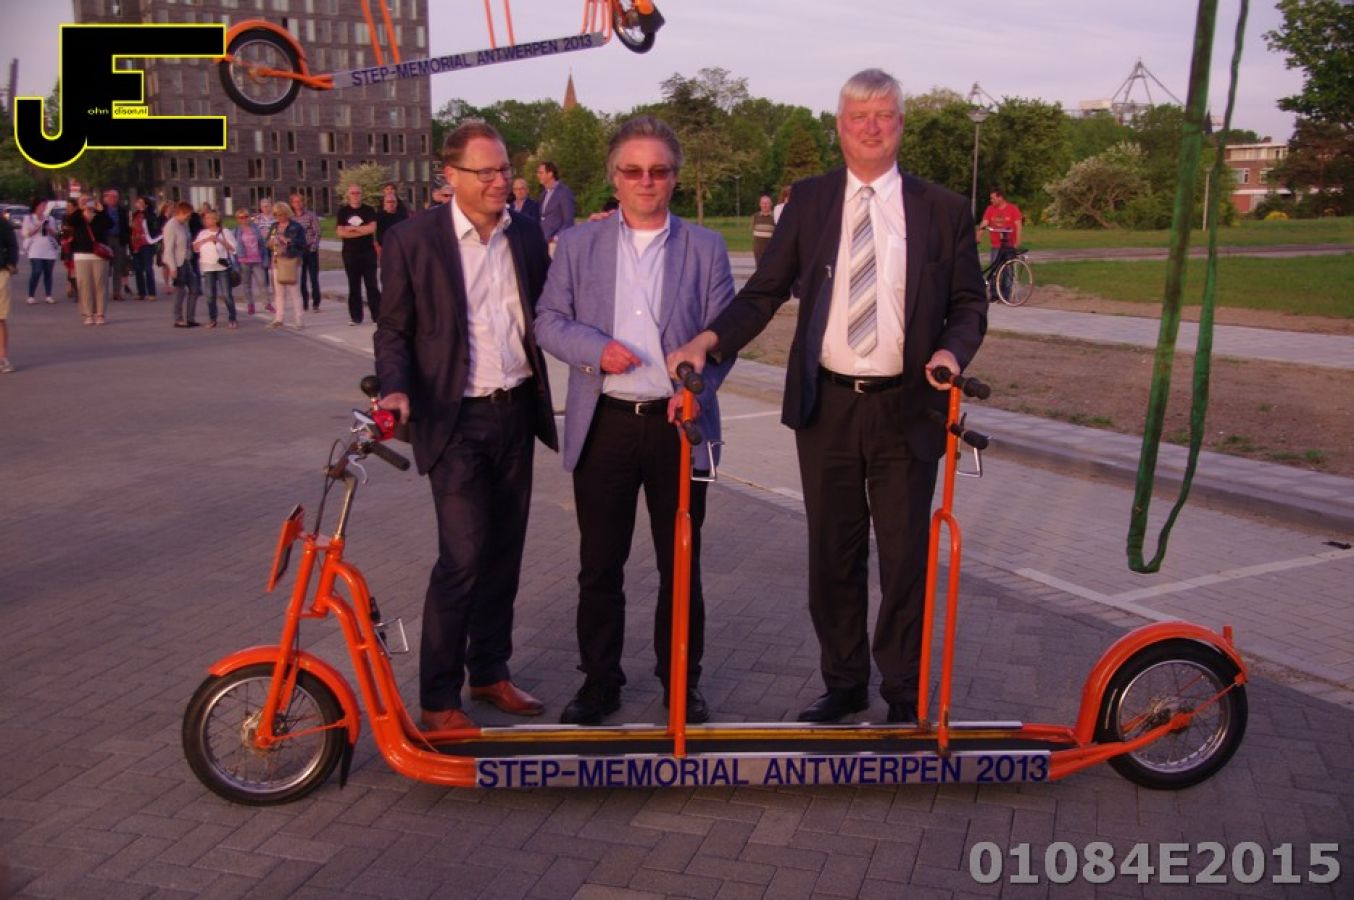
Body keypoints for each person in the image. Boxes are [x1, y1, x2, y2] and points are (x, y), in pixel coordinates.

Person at [666, 68, 987, 725]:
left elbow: (968, 303)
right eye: (858, 116)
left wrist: (952, 353)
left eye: (884, 115)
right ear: (840, 127)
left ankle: (903, 691)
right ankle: (844, 683)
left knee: (904, 558)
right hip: (828, 405)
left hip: (909, 405)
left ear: (900, 126)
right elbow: (764, 292)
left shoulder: (943, 209)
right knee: (833, 554)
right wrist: (707, 340)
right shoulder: (809, 202)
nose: (871, 127)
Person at [535, 115, 736, 727]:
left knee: (681, 563)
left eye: (658, 171)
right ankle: (600, 682)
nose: (646, 181)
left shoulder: (705, 247)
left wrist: (696, 391)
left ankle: (681, 682)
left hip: (679, 426)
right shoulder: (578, 244)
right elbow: (548, 320)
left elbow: (724, 335)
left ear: (674, 177)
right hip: (605, 423)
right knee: (600, 565)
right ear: (614, 178)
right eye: (633, 171)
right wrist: (595, 349)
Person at [374, 121, 558, 732]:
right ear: (450, 175)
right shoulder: (412, 240)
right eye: (487, 172)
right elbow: (393, 329)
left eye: (505, 168)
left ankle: (489, 672)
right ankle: (438, 701)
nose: (500, 181)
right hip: (454, 420)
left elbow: (546, 313)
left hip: (516, 411)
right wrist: (395, 386)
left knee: (504, 553)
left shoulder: (524, 233)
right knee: (462, 558)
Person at [336, 183, 379, 325]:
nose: (355, 195)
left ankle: (377, 316)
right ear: (348, 195)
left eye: (358, 193)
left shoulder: (369, 210)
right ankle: (356, 317)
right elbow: (340, 232)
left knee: (371, 285)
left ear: (362, 195)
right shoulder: (343, 212)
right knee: (354, 285)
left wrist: (351, 229)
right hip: (350, 254)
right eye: (353, 193)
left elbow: (371, 229)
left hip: (368, 253)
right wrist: (361, 230)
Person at [193, 210, 238, 329]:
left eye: (208, 218)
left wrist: (219, 240)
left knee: (226, 294)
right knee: (209, 295)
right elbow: (195, 247)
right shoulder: (202, 233)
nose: (205, 220)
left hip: (222, 266)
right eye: (205, 218)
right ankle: (212, 319)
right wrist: (205, 240)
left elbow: (233, 248)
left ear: (215, 220)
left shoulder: (225, 232)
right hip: (208, 266)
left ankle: (232, 318)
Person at [71, 194, 112, 326]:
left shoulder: (100, 215)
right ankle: (88, 314)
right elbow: (70, 221)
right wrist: (80, 209)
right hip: (81, 255)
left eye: (88, 200)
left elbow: (110, 224)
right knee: (84, 285)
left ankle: (100, 314)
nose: (86, 203)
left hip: (99, 255)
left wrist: (101, 211)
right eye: (83, 200)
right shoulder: (77, 216)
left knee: (100, 285)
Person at [267, 202, 306, 330]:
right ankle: (279, 318)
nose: (278, 217)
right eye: (276, 215)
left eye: (281, 214)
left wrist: (289, 241)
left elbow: (302, 243)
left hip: (291, 261)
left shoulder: (296, 227)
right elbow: (267, 242)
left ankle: (299, 320)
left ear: (286, 213)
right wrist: (270, 242)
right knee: (279, 292)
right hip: (277, 261)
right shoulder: (274, 226)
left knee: (294, 291)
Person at [161, 201, 198, 328]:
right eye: (187, 215)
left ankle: (191, 317)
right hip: (177, 263)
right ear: (181, 212)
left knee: (194, 289)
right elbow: (168, 249)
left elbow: (187, 242)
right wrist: (172, 268)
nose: (189, 217)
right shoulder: (171, 226)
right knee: (180, 291)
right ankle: (178, 318)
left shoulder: (184, 225)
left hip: (186, 260)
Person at [21, 198, 60, 305]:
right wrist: (38, 227)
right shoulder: (29, 218)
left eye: (45, 206)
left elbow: (56, 233)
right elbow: (25, 234)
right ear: (36, 206)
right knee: (36, 271)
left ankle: (48, 296)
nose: (43, 208)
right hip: (35, 249)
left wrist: (50, 230)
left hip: (49, 248)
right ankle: (31, 296)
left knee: (48, 273)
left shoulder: (50, 219)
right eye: (42, 205)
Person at [288, 192, 322, 311]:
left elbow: (317, 232)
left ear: (303, 202)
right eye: (295, 202)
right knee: (301, 279)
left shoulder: (310, 215)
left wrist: (313, 246)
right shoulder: (291, 218)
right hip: (299, 251)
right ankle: (305, 302)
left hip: (311, 250)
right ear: (292, 204)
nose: (298, 204)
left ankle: (316, 303)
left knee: (313, 278)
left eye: (300, 201)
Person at [232, 207, 267, 315]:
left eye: (246, 217)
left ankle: (266, 303)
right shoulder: (236, 231)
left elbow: (262, 244)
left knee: (262, 282)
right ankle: (250, 304)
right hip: (244, 260)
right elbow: (233, 247)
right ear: (237, 219)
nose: (244, 219)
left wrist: (265, 258)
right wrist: (235, 263)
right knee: (247, 284)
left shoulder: (255, 229)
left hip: (256, 259)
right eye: (241, 217)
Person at [536, 160, 576, 249]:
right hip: (542, 242)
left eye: (541, 173)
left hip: (556, 245)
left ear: (550, 174)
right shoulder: (543, 194)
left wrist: (556, 238)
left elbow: (569, 221)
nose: (538, 175)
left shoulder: (564, 192)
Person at [977, 188, 1023, 265]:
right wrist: (978, 235)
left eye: (993, 198)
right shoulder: (990, 209)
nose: (991, 200)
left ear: (1000, 198)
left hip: (1009, 245)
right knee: (995, 269)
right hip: (996, 246)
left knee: (1008, 269)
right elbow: (984, 223)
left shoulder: (1013, 209)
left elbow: (1018, 226)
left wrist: (1017, 242)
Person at [101, 188, 132, 301]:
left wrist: (127, 240)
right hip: (106, 239)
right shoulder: (102, 209)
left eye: (115, 197)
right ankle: (103, 292)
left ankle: (117, 292)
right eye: (111, 197)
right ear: (106, 198)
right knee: (105, 268)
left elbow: (126, 226)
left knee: (118, 267)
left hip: (119, 239)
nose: (113, 199)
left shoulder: (122, 210)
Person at [129, 195, 159, 302]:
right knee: (138, 269)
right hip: (136, 244)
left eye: (141, 202)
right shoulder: (134, 215)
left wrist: (145, 212)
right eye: (138, 202)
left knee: (148, 268)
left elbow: (154, 226)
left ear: (146, 204)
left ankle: (152, 292)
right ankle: (141, 292)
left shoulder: (150, 214)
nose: (139, 204)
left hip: (146, 244)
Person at [0, 212, 17, 373]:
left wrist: (11, 264)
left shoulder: (2, 223)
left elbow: (12, 245)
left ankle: (2, 358)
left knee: (0, 318)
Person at [751, 194, 776, 265]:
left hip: (771, 249)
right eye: (763, 203)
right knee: (759, 268)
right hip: (758, 250)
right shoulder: (755, 216)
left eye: (767, 203)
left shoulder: (775, 216)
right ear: (760, 204)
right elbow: (753, 230)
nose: (765, 205)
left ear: (771, 204)